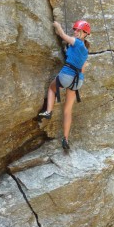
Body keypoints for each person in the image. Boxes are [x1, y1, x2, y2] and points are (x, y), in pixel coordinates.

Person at [39, 20, 91, 150]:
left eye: (78, 30)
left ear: (85, 34)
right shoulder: (85, 50)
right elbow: (83, 68)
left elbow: (62, 35)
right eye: (75, 30)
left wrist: (56, 25)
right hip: (78, 80)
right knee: (68, 110)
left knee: (52, 89)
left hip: (67, 75)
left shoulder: (77, 42)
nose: (75, 32)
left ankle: (48, 111)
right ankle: (65, 139)